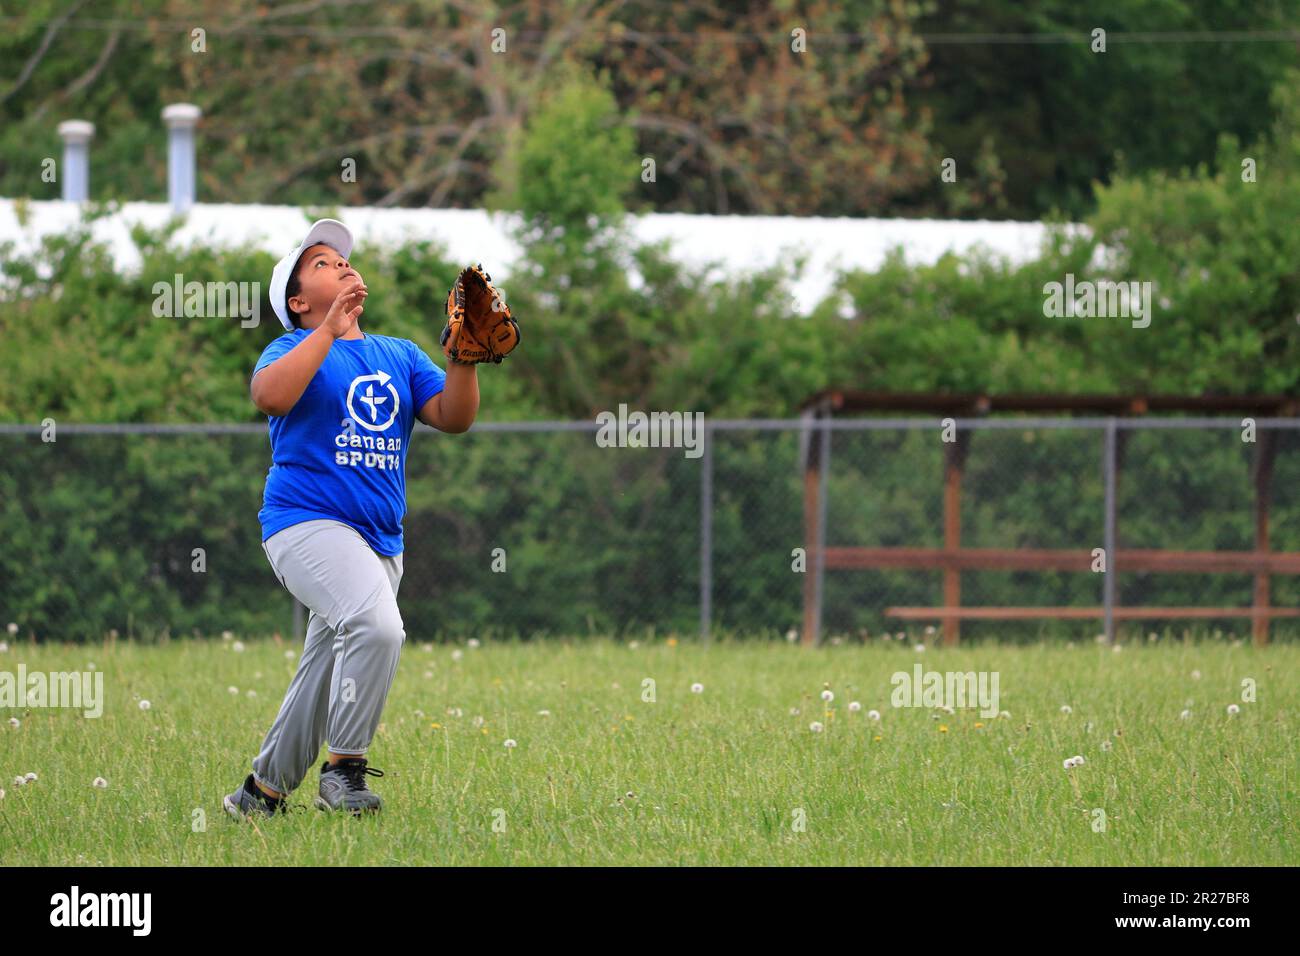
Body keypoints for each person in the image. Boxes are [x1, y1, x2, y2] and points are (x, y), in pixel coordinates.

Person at [223, 219, 479, 818]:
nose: (339, 262)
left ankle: (261, 795)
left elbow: (454, 416)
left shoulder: (399, 354)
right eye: (319, 263)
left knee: (322, 672)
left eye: (341, 258)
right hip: (304, 523)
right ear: (296, 300)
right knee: (379, 628)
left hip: (379, 540)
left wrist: (463, 357)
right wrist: (328, 332)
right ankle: (345, 771)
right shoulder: (290, 348)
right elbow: (270, 396)